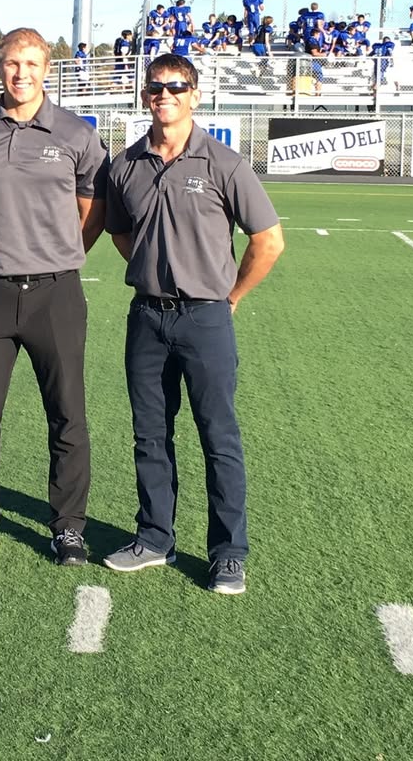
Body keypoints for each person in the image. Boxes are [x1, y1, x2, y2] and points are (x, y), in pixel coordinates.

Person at [103, 53, 284, 595]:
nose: (165, 95)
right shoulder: (125, 165)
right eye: (156, 88)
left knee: (218, 436)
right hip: (147, 319)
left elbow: (268, 241)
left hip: (207, 318)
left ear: (195, 95)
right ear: (144, 97)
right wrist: (154, 271)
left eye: (176, 87)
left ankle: (228, 552)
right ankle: (155, 537)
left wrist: (231, 296)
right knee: (149, 435)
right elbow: (119, 233)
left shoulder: (224, 164)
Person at [0, 29, 108, 566]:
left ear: (47, 69)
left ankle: (68, 527)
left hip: (56, 293)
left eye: (32, 63)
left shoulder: (77, 135)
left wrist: (55, 254)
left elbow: (91, 212)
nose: (22, 73)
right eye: (13, 63)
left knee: (67, 415)